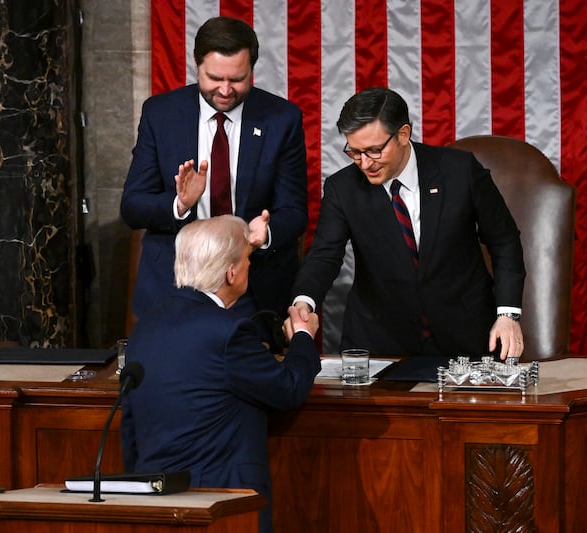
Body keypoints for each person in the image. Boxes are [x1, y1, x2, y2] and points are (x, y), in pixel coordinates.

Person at [292, 87, 526, 360]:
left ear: (403, 134)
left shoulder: (459, 170)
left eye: (374, 150)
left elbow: (504, 240)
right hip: (380, 341)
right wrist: (304, 302)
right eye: (354, 152)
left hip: (466, 335)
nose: (365, 163)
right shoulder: (342, 188)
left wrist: (508, 314)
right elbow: (324, 254)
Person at [120, 215, 320, 533]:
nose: (249, 267)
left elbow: (129, 428)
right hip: (223, 507)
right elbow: (289, 387)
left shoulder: (145, 330)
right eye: (246, 260)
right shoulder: (230, 332)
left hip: (155, 503)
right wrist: (303, 337)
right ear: (231, 272)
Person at [120, 16, 308, 324]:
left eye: (237, 79)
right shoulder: (161, 113)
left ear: (252, 70)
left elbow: (295, 210)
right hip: (174, 285)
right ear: (197, 65)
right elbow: (132, 206)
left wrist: (266, 232)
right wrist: (180, 205)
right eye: (214, 78)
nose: (225, 90)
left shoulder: (281, 119)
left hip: (254, 286)